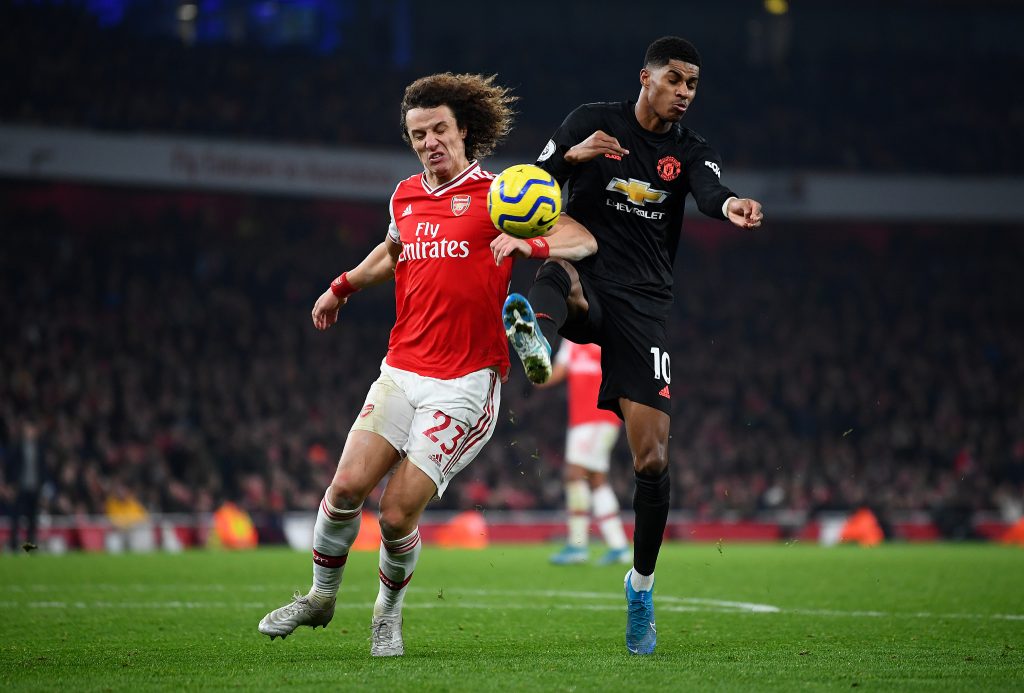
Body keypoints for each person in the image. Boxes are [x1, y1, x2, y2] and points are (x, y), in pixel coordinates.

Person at [257, 72, 596, 657]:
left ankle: (386, 616)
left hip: (466, 382)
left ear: (463, 130)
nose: (429, 141)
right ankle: (319, 595)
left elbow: (581, 238)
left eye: (439, 129)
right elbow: (393, 252)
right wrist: (341, 286)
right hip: (401, 369)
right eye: (418, 133)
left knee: (393, 515)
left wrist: (526, 244)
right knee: (344, 490)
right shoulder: (405, 195)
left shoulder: (502, 194)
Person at [506, 36, 764, 655]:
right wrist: (571, 157)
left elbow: (707, 191)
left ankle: (641, 587)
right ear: (644, 77)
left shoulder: (691, 150)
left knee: (652, 461)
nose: (683, 92)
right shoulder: (592, 122)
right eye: (674, 79)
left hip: (645, 307)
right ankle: (534, 334)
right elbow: (526, 188)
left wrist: (730, 205)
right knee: (560, 263)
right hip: (590, 277)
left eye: (692, 84)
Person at [541, 341, 631, 566]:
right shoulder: (572, 340)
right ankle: (618, 546)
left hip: (598, 417)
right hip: (586, 420)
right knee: (596, 480)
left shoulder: (609, 333)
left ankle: (578, 546)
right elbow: (556, 373)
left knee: (573, 474)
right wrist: (536, 370)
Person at [5, 417, 49, 553]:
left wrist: (42, 487)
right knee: (16, 518)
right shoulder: (17, 446)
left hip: (34, 488)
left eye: (32, 429)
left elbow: (43, 468)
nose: (30, 432)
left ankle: (29, 548)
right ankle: (13, 546)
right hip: (20, 488)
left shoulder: (39, 447)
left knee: (32, 519)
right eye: (28, 429)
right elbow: (10, 466)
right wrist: (10, 485)